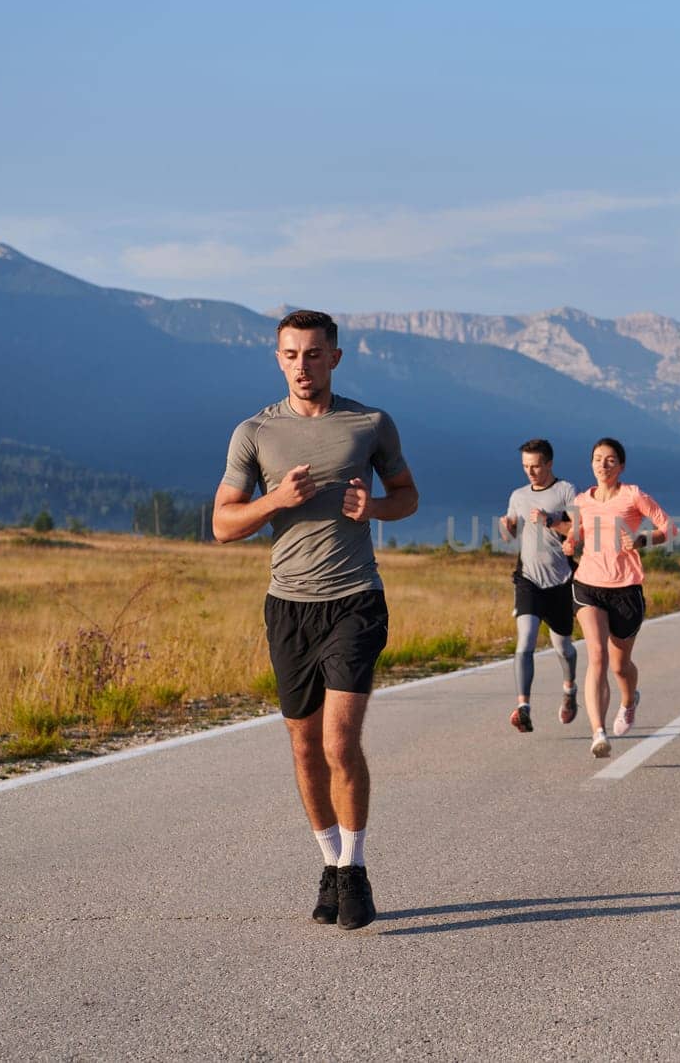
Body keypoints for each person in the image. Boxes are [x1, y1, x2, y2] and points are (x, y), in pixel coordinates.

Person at [212, 309, 418, 932]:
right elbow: (222, 525)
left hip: (355, 599)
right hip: (288, 606)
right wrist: (275, 499)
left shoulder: (370, 423)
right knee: (304, 749)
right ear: (279, 359)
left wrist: (375, 506)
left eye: (314, 354)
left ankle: (355, 870)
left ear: (335, 357)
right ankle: (329, 861)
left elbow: (408, 497)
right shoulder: (254, 432)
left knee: (338, 741)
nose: (303, 365)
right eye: (291, 355)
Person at [564, 437, 675, 758]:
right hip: (588, 585)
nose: (603, 464)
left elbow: (668, 528)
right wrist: (570, 543)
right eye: (598, 459)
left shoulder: (633, 496)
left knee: (620, 665)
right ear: (591, 464)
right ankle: (598, 733)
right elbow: (576, 534)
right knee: (596, 654)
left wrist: (642, 539)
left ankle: (628, 701)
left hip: (626, 588)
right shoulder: (581, 501)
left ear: (621, 466)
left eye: (610, 459)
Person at [498, 439, 579, 733]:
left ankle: (569, 689)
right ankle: (524, 707)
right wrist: (505, 527)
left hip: (560, 581)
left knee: (563, 647)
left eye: (535, 466)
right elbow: (510, 533)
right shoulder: (518, 496)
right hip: (528, 579)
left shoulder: (566, 491)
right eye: (525, 466)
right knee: (527, 639)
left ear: (548, 464)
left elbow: (580, 531)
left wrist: (551, 521)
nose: (530, 472)